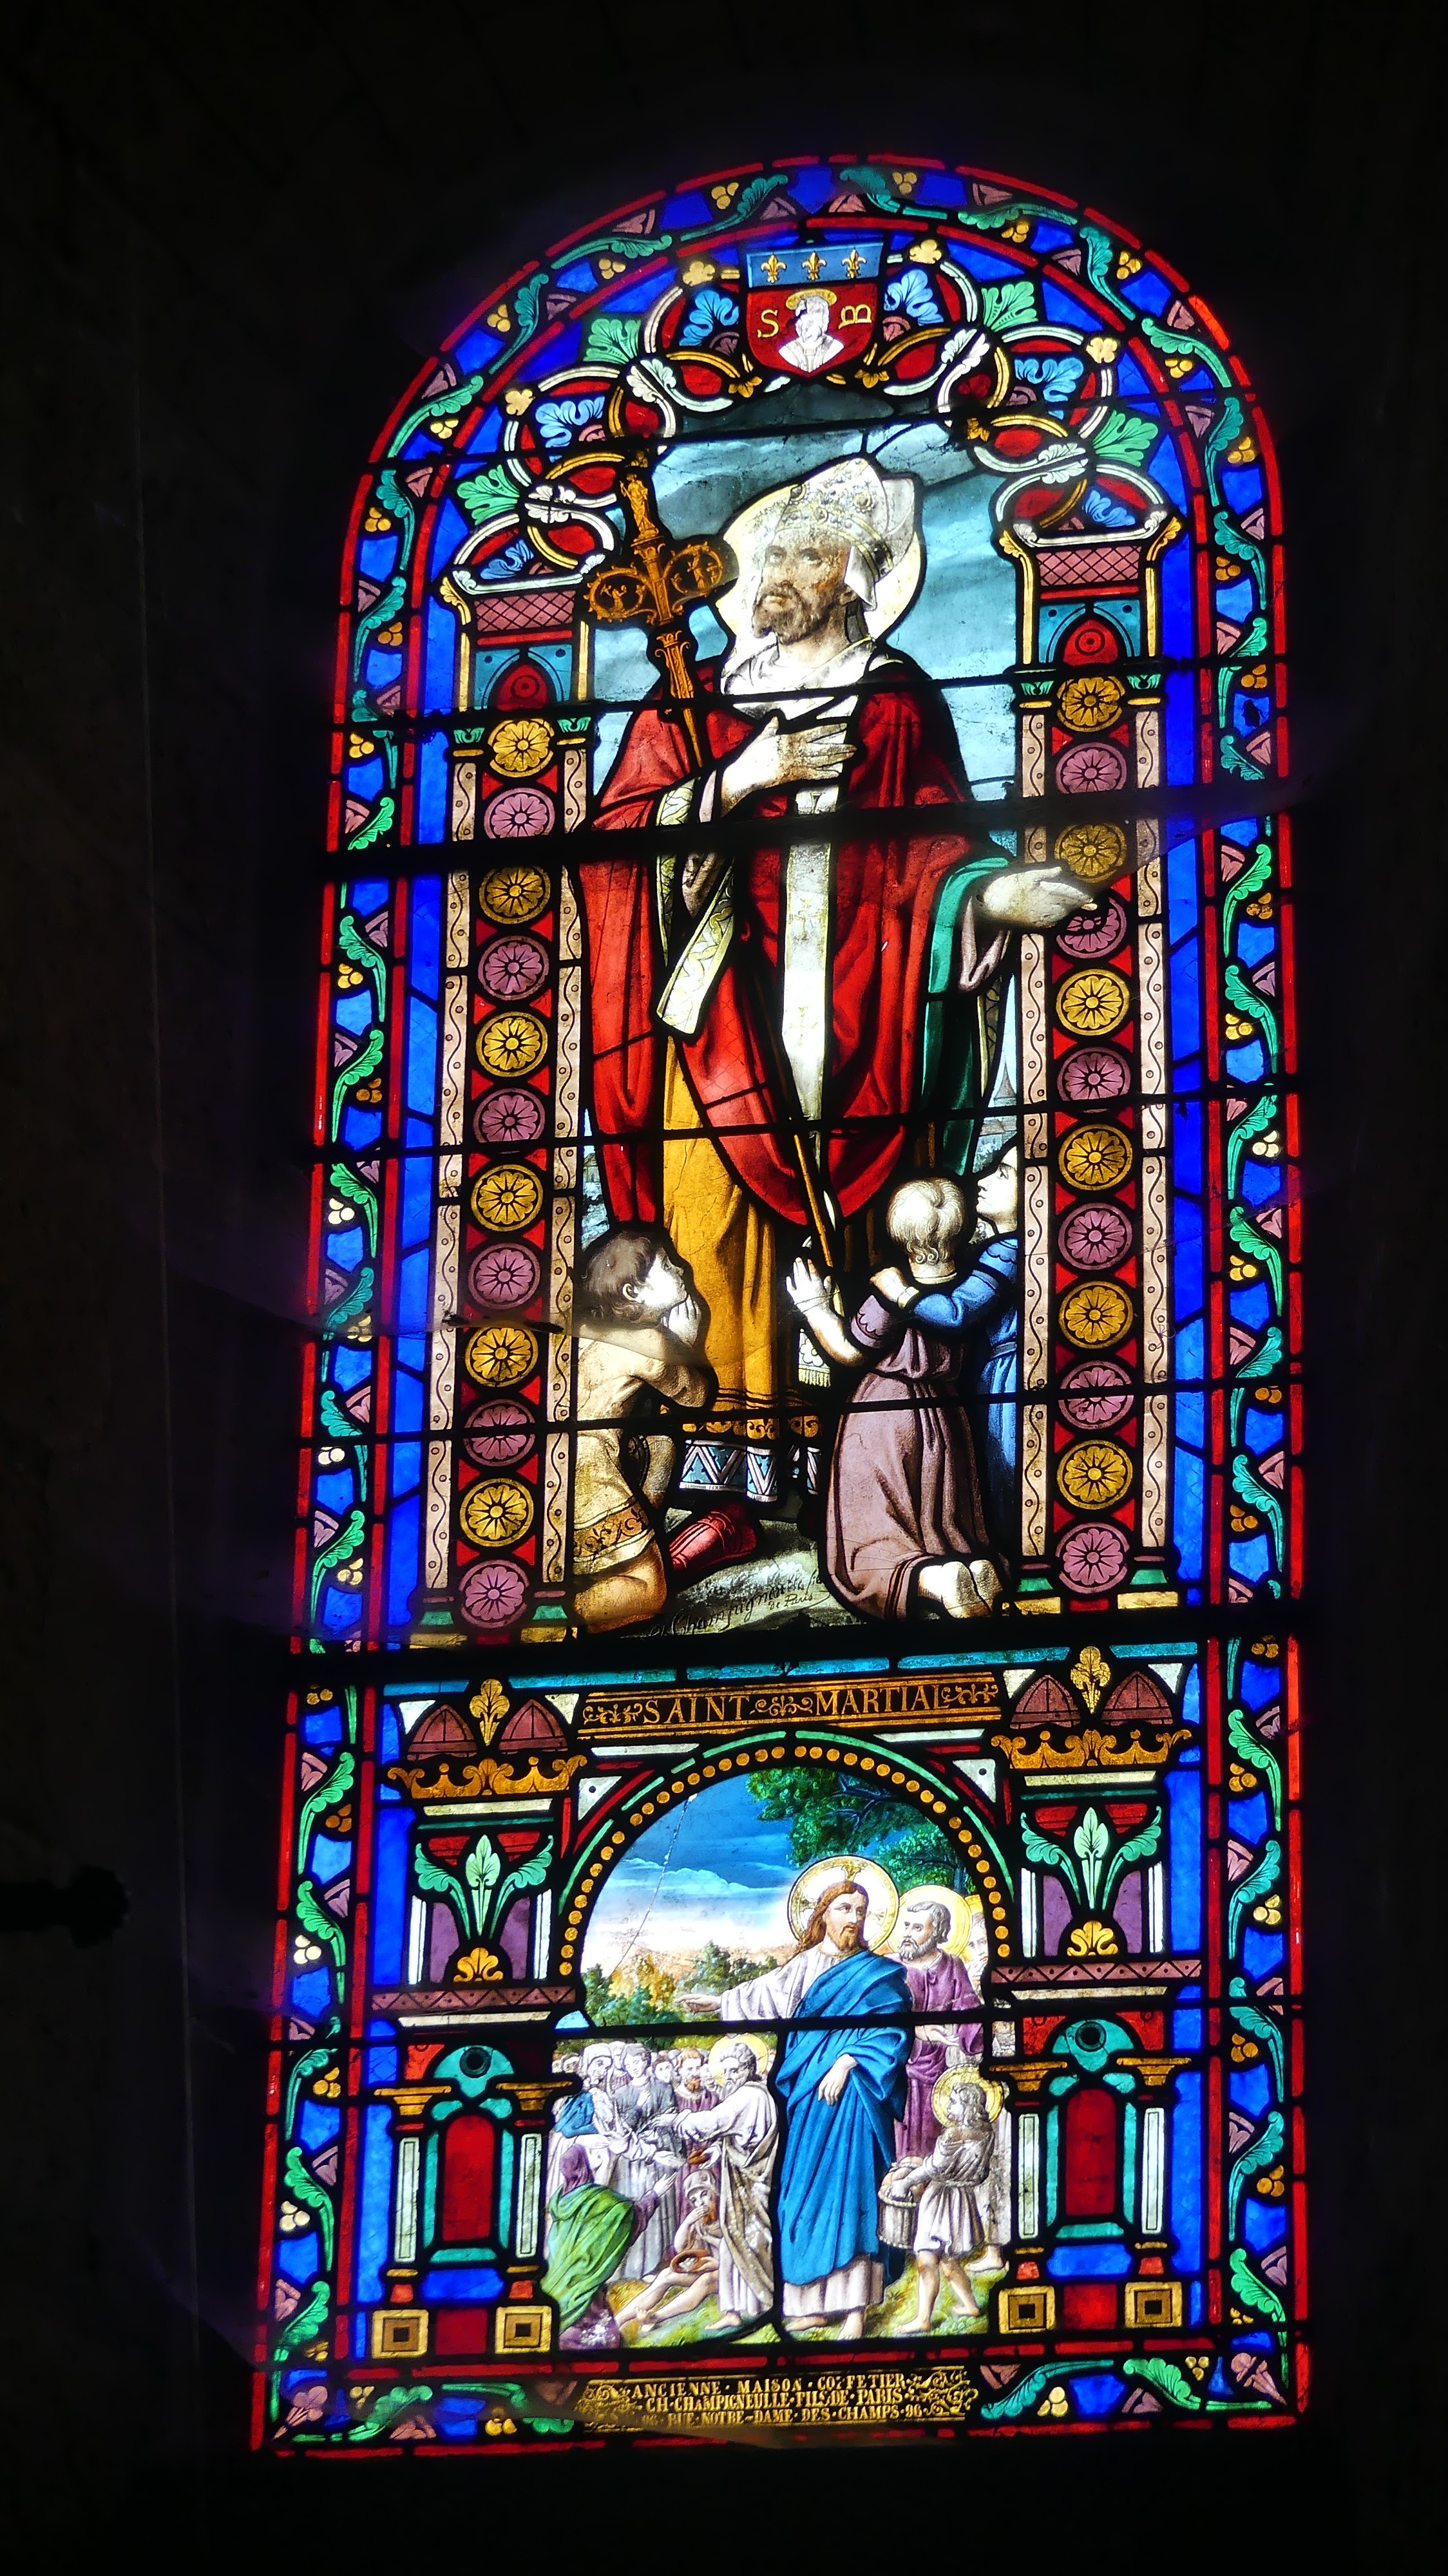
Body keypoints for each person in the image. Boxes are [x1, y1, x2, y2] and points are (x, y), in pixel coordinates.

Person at [579, 454, 1081, 1506]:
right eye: (771, 554)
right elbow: (611, 850)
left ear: (857, 576)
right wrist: (735, 781)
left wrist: (989, 897)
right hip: (715, 1021)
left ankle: (841, 1477)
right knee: (710, 1223)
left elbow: (936, 847)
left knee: (841, 1239)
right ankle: (718, 1484)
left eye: (807, 555)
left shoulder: (893, 704)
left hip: (862, 1023)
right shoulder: (691, 705)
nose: (777, 574)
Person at [685, 1879, 910, 2338]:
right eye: (844, 1908)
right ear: (823, 1914)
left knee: (851, 2195)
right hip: (805, 2103)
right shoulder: (803, 1967)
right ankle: (810, 2303)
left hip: (855, 2099)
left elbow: (894, 2032)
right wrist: (720, 2001)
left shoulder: (878, 1974)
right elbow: (762, 1995)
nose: (854, 1919)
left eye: (861, 1911)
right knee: (798, 2199)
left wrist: (847, 2061)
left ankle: (855, 2310)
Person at [788, 1174, 1004, 1620]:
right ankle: (971, 1567)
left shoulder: (892, 1289)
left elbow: (850, 1352)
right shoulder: (967, 1287)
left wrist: (815, 1308)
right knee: (941, 1517)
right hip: (946, 1417)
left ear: (896, 1231)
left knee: (877, 1525)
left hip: (884, 1416)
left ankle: (933, 1580)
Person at [569, 1226, 754, 1630]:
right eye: (667, 1266)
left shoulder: (581, 1332)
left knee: (660, 1445)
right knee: (649, 1592)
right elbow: (696, 1396)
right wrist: (686, 1342)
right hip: (590, 1473)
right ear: (634, 1292)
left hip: (553, 1468)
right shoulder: (649, 1341)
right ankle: (552, 1619)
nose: (682, 1269)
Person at [672, 2040, 779, 2331]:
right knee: (735, 2240)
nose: (729, 2077)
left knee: (750, 2240)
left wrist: (680, 2120)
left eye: (735, 2070)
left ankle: (759, 2304)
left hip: (752, 2183)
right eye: (726, 2071)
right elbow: (742, 2138)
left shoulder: (748, 2095)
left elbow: (714, 2122)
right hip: (745, 2179)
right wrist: (716, 2152)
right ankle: (734, 2310)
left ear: (749, 2068)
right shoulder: (759, 2093)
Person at [883, 2074, 996, 2331]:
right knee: (947, 2260)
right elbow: (979, 2173)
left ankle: (923, 2319)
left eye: (954, 2102)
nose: (948, 2106)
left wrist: (905, 2182)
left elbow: (933, 2168)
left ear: (968, 2106)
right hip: (962, 2201)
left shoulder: (952, 2135)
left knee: (926, 2260)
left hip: (940, 2200)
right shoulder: (986, 2133)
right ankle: (970, 2305)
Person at [892, 1892, 984, 2158]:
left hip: (938, 2072)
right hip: (894, 2068)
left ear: (938, 1933)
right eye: (907, 1926)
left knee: (932, 2143)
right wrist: (917, 2032)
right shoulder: (890, 1967)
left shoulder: (952, 1966)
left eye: (918, 1928)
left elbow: (969, 2013)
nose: (908, 1933)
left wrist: (979, 2035)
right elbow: (875, 2020)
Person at [614, 2170, 723, 2333]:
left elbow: (735, 2254)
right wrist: (687, 2223)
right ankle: (618, 2320)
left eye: (704, 2194)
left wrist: (711, 2262)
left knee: (705, 2280)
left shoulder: (728, 2213)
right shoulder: (702, 2221)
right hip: (710, 2266)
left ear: (715, 2190)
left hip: (731, 2274)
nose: (700, 2202)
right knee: (666, 2275)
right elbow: (681, 2248)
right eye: (694, 2200)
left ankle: (655, 2317)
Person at [777, 286, 844, 373]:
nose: (803, 318)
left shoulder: (835, 346)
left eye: (818, 313)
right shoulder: (788, 350)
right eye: (802, 313)